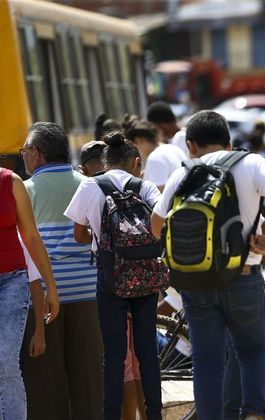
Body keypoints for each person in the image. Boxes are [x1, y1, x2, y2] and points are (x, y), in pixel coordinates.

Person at [151, 110, 265, 420]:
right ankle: (254, 412)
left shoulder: (182, 175)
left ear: (190, 145)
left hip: (195, 283)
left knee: (206, 360)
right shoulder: (250, 163)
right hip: (243, 276)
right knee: (252, 350)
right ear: (228, 141)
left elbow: (156, 225)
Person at [64, 131, 164, 420]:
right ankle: (154, 414)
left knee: (114, 354)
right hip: (144, 278)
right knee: (147, 352)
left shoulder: (90, 186)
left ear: (106, 163)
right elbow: (159, 223)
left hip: (109, 279)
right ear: (135, 162)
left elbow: (79, 234)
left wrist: (105, 240)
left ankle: (111, 415)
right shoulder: (144, 187)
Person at [16, 122, 103, 420]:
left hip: (42, 299)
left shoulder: (24, 191)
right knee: (88, 379)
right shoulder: (88, 185)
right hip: (89, 294)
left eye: (25, 150)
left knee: (45, 383)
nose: (23, 156)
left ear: (37, 154)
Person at [0, 166, 59, 420]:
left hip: (12, 280)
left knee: (5, 361)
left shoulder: (10, 182)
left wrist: (51, 287)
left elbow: (32, 237)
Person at [124, 117, 186, 192]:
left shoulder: (155, 157)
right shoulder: (174, 148)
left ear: (138, 140)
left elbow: (160, 194)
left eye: (133, 147)